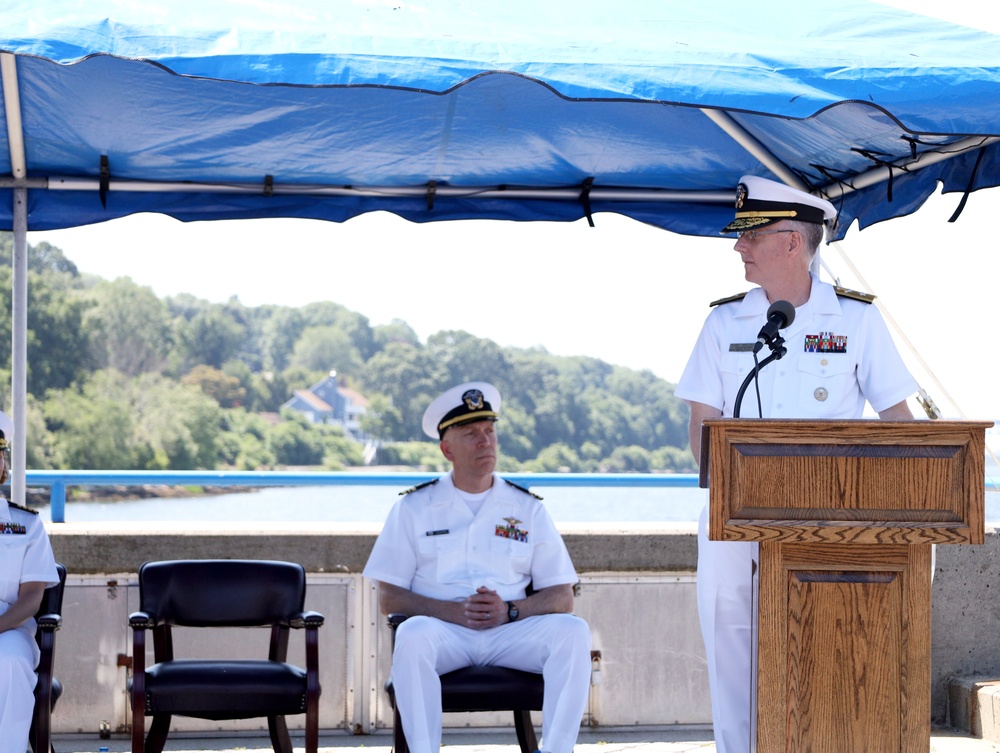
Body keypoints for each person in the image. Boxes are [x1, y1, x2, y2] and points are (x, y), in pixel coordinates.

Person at [674, 176, 917, 753]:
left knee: (819, 647)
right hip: (732, 519)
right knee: (731, 644)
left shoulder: (856, 321)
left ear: (789, 241)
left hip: (827, 519)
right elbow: (702, 425)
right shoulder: (723, 322)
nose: (738, 247)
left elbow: (899, 422)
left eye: (749, 235)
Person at [363, 382, 591, 753]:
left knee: (573, 631)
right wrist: (451, 611)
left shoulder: (527, 507)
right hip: (444, 632)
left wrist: (511, 610)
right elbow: (389, 597)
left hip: (511, 632)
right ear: (446, 448)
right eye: (471, 434)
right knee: (412, 633)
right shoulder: (413, 508)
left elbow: (561, 595)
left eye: (490, 431)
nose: (486, 442)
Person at [0, 410, 60, 753]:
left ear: (4, 467)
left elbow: (32, 597)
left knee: (8, 661)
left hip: (9, 628)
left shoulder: (25, 526)